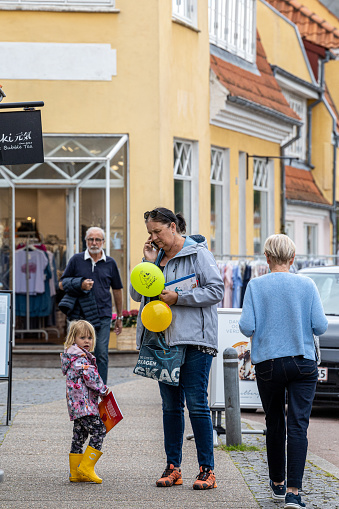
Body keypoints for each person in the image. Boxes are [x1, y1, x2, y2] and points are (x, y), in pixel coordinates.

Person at [130, 207, 224, 490]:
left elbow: (216, 290)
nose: (154, 237)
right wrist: (148, 264)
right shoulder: (155, 257)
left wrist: (179, 297)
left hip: (195, 341)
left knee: (196, 405)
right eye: (150, 233)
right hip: (163, 342)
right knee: (171, 407)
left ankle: (207, 470)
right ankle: (173, 467)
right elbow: (138, 294)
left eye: (157, 231)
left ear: (173, 227)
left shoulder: (199, 254)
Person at [239, 234, 328, 509]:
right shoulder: (307, 284)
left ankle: (277, 483)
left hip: (268, 364)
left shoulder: (255, 285)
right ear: (292, 258)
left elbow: (246, 327)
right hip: (302, 361)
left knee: (274, 422)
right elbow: (320, 326)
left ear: (266, 258)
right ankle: (294, 492)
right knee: (298, 424)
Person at [59, 227, 123, 384]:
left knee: (101, 353)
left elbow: (117, 290)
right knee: (77, 353)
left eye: (97, 239)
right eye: (90, 239)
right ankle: (79, 388)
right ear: (86, 241)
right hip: (80, 317)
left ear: (103, 242)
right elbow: (61, 284)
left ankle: (100, 391)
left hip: (102, 315)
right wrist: (80, 284)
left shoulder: (110, 263)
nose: (94, 243)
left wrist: (119, 316)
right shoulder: (76, 260)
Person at [61, 320, 109, 484]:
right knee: (99, 431)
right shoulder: (81, 360)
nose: (87, 341)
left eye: (90, 338)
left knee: (79, 436)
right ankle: (87, 467)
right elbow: (92, 379)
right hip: (85, 406)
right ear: (73, 339)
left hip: (77, 406)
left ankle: (75, 472)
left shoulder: (73, 357)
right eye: (82, 338)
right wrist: (104, 390)